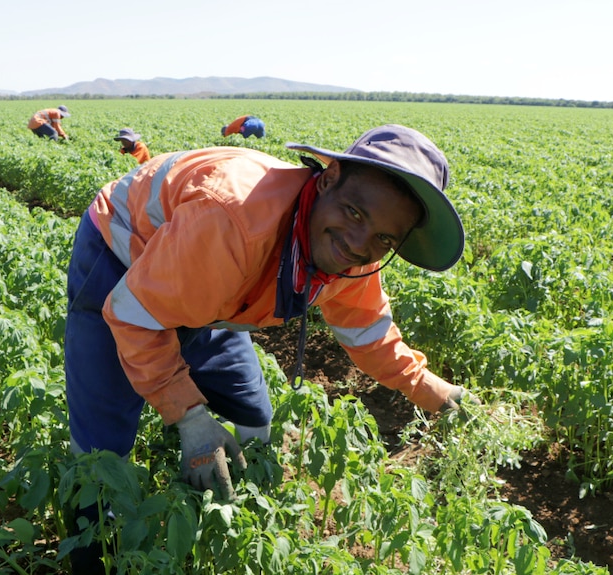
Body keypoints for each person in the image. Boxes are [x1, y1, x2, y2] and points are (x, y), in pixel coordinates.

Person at [64, 124, 475, 572]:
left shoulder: (350, 257)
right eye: (355, 213)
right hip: (125, 257)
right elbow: (132, 315)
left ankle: (238, 509)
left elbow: (368, 333)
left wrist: (436, 392)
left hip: (215, 289)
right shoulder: (233, 219)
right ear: (329, 178)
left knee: (252, 410)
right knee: (103, 448)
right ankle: (92, 555)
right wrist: (189, 417)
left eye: (383, 239)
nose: (359, 245)